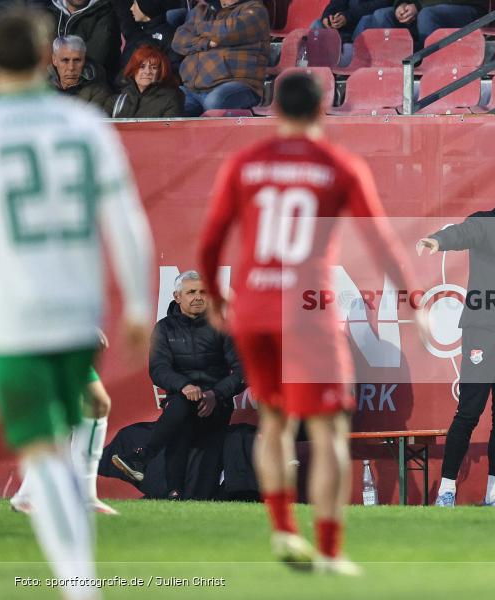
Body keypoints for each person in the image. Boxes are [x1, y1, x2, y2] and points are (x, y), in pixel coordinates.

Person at [198, 72, 417, 573]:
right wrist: (414, 302)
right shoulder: (338, 164)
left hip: (254, 309)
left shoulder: (245, 163)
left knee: (273, 423)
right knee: (328, 431)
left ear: (275, 110)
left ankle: (282, 529)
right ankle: (330, 551)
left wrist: (214, 294)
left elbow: (210, 241)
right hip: (307, 310)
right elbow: (381, 242)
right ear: (323, 109)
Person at [0, 5, 154, 597]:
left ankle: (76, 578)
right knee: (59, 443)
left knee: (46, 447)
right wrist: (137, 303)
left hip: (14, 310)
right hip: (70, 308)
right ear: (47, 58)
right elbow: (126, 220)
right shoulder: (85, 125)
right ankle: (78, 583)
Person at [416, 169, 495, 508]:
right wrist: (437, 240)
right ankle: (446, 491)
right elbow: (462, 233)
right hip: (484, 332)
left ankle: (494, 494)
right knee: (469, 412)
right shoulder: (486, 223)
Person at [112, 271, 244, 499]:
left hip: (216, 405)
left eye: (203, 292)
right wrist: (184, 386)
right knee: (181, 408)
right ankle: (173, 490)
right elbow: (158, 369)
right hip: (180, 402)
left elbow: (243, 372)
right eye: (191, 292)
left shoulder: (223, 327)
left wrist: (214, 394)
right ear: (177, 296)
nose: (198, 297)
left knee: (179, 412)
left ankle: (143, 458)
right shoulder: (164, 328)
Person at [11, 331, 120, 516]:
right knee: (86, 405)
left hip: (65, 337)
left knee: (90, 405)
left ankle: (29, 496)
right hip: (43, 336)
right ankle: (80, 497)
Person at [172, 0, 269, 117]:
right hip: (193, 89)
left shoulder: (256, 9)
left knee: (214, 102)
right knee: (169, 102)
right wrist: (206, 42)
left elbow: (229, 30)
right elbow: (178, 41)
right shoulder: (201, 9)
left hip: (239, 85)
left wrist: (196, 28)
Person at [355, 0, 488, 48]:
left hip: (467, 8)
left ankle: (429, 61)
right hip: (422, 7)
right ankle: (391, 63)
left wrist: (418, 6)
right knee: (382, 15)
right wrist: (400, 5)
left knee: (427, 14)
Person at [49, 0, 121, 84]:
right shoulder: (46, 10)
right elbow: (40, 56)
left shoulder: (106, 13)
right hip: (48, 85)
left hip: (92, 85)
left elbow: (95, 61)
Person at [108, 44, 184, 118]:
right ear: (133, 69)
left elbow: (169, 126)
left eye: (154, 67)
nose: (147, 72)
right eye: (142, 67)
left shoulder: (171, 99)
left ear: (161, 72)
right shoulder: (116, 100)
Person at [117, 0, 182, 76]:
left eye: (135, 4)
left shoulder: (169, 36)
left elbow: (174, 69)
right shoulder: (137, 33)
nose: (131, 8)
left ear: (146, 7)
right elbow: (124, 66)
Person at [48, 35, 111, 111]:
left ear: (84, 60)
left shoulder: (98, 92)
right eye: (65, 60)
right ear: (54, 60)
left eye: (77, 60)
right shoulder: (41, 87)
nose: (71, 67)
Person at [316, 0, 391, 43]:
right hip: (344, 22)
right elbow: (336, 3)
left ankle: (353, 51)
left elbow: (380, 4)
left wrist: (347, 17)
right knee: (317, 24)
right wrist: (327, 16)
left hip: (363, 22)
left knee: (366, 21)